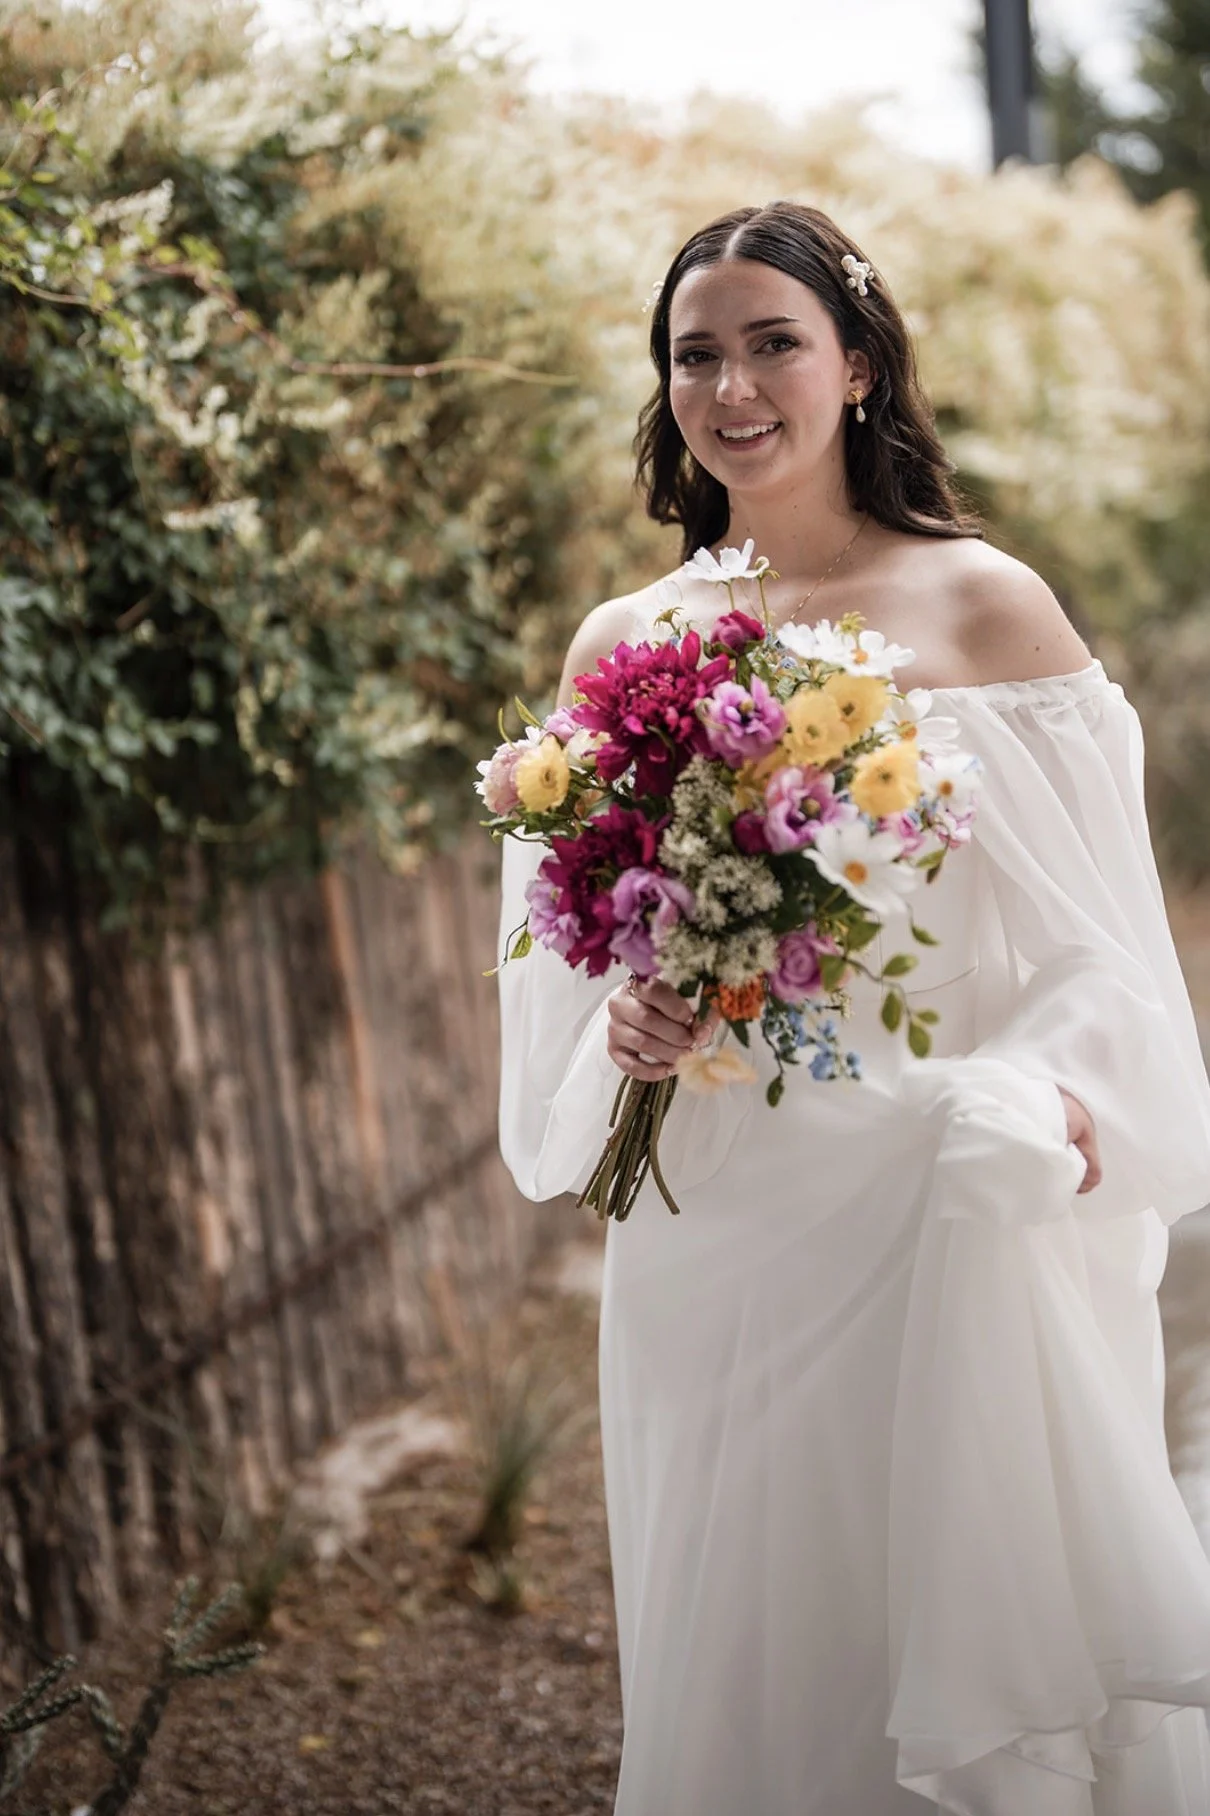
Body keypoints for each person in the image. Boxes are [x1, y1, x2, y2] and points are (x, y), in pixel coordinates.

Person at [495, 202, 1210, 1815]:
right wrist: (630, 1020)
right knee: (738, 1610)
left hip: (920, 1194)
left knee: (912, 1588)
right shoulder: (629, 642)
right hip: (709, 1213)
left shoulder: (984, 608)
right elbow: (568, 940)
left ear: (861, 367)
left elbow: (1104, 948)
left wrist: (1033, 1107)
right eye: (695, 353)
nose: (730, 385)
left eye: (772, 343)